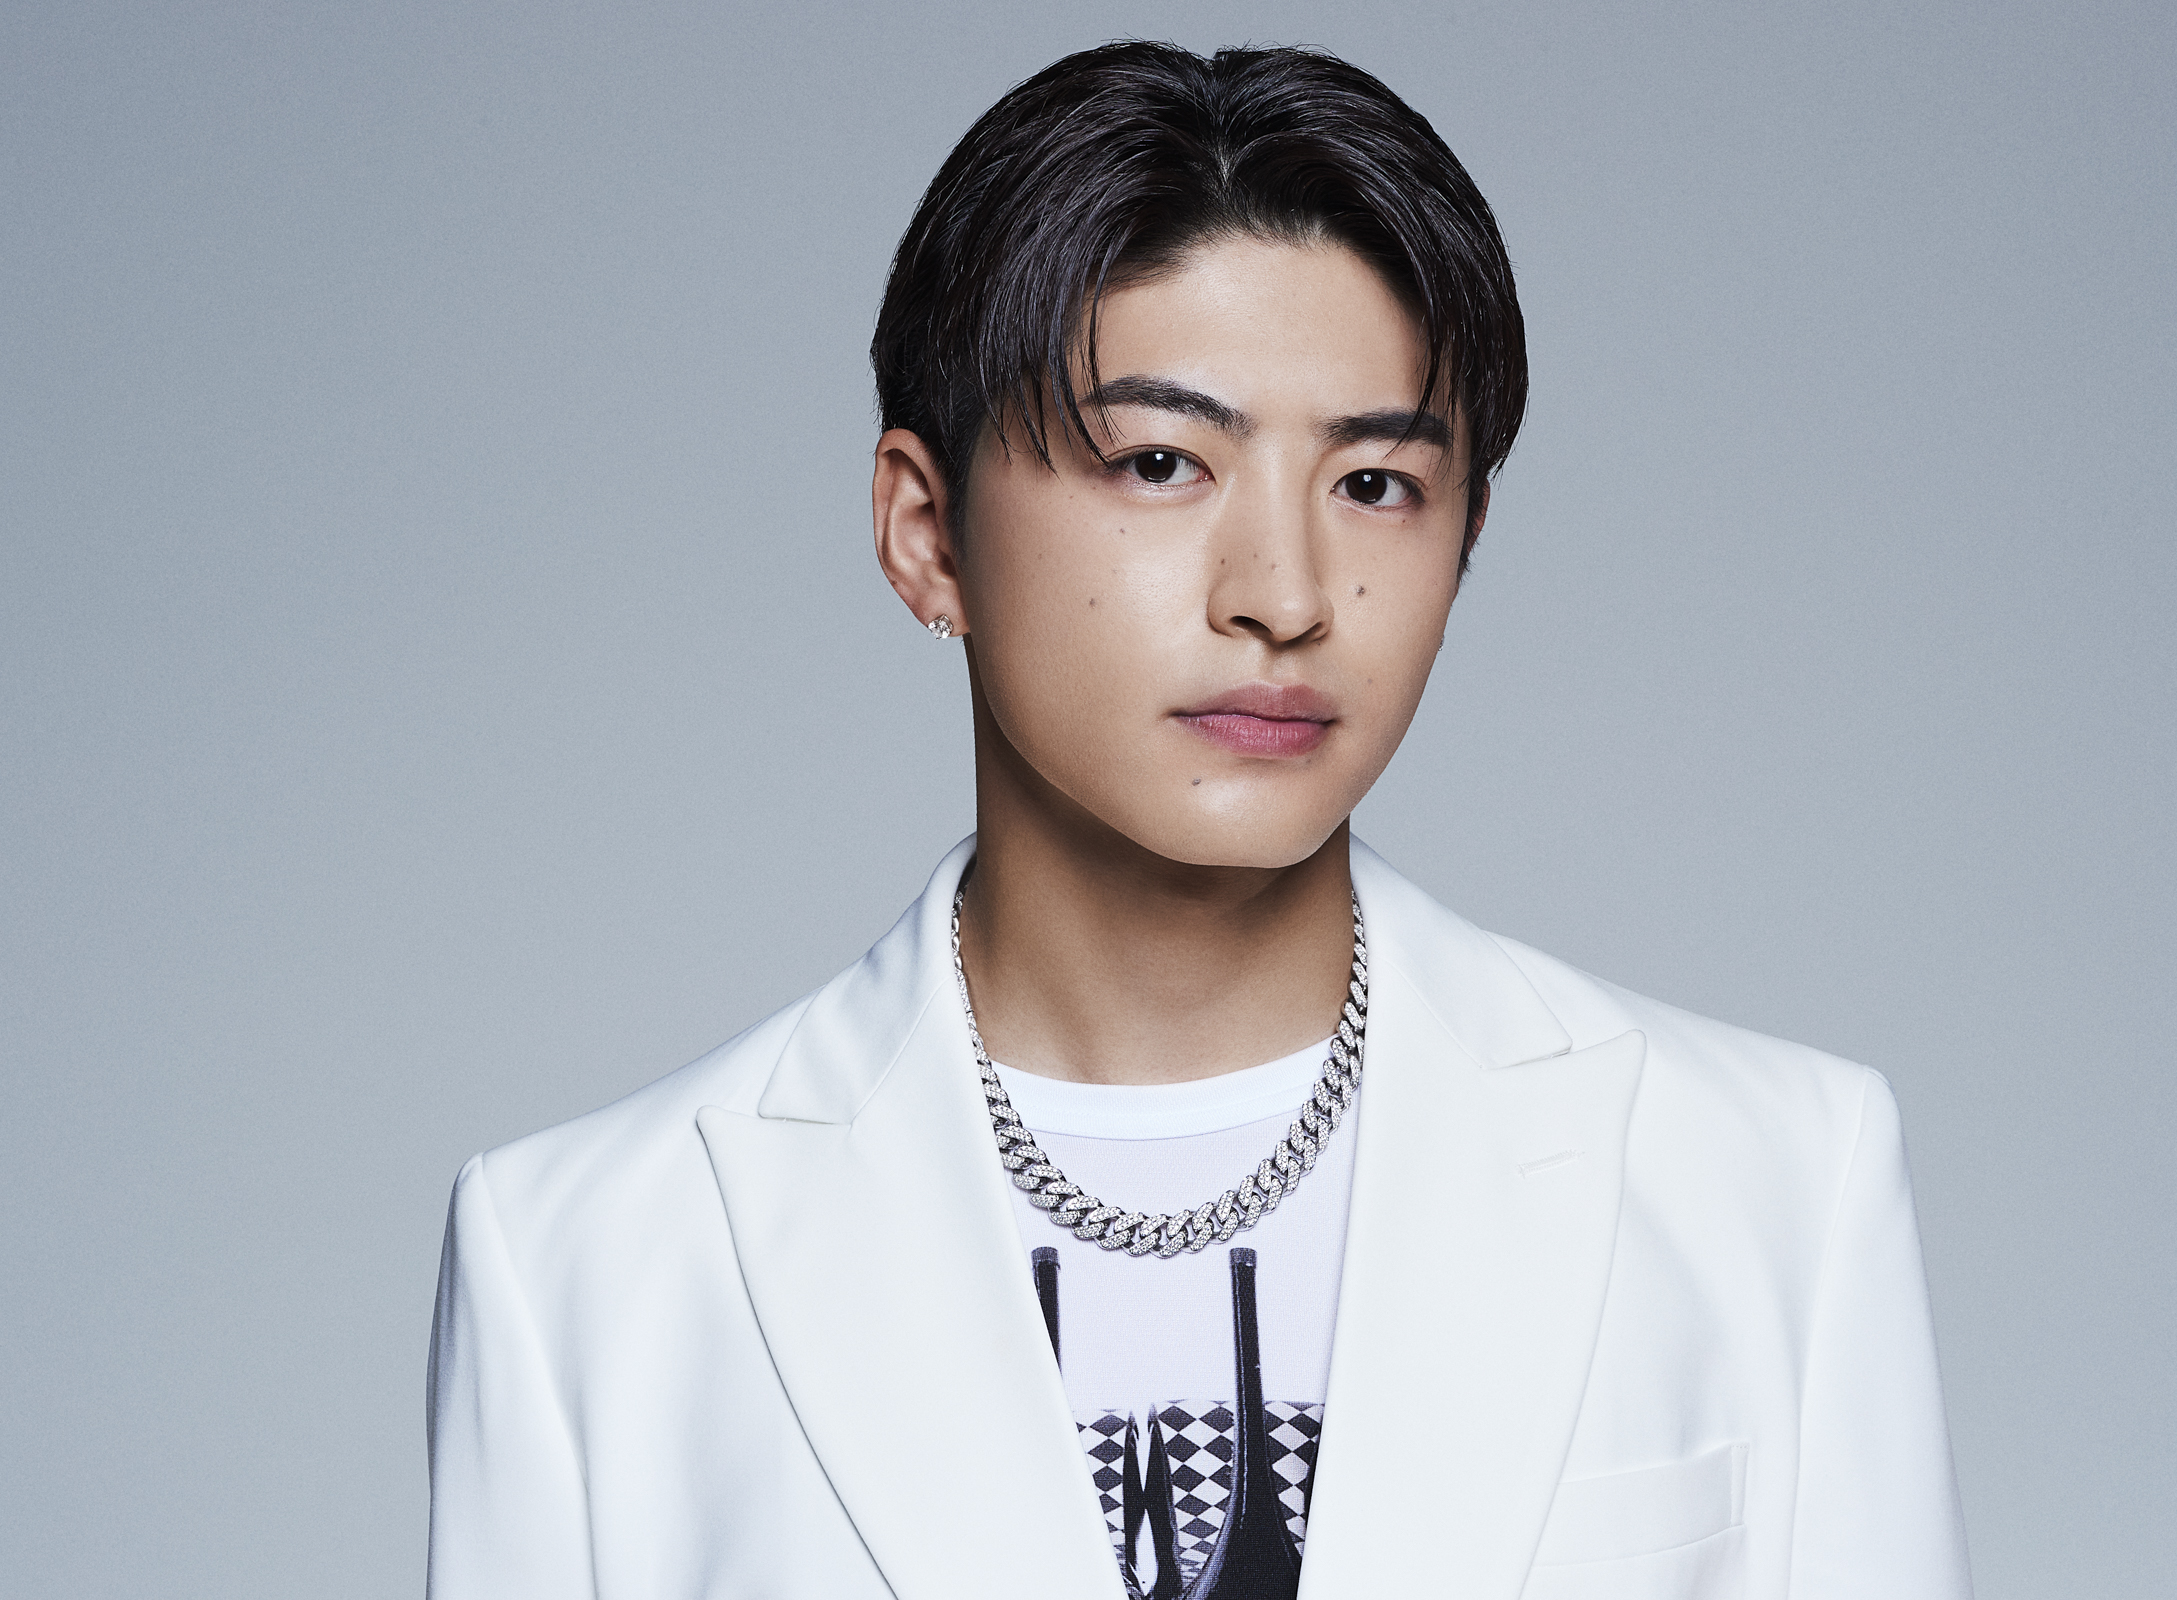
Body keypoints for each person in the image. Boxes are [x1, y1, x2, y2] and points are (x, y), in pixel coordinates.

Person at [425, 41, 1973, 1600]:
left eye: (1375, 484)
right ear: (926, 533)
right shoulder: (590, 1266)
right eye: (1162, 462)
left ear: (1467, 539)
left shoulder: (1767, 1180)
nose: (1284, 596)